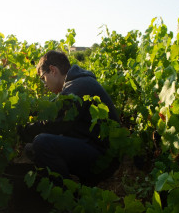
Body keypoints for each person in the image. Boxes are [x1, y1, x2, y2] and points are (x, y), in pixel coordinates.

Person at [20, 50, 120, 186]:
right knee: (31, 148)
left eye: (43, 78)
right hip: (95, 150)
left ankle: (67, 196)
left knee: (42, 143)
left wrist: (23, 131)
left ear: (53, 70)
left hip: (102, 159)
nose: (44, 84)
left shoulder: (77, 86)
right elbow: (53, 111)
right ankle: (81, 186)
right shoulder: (77, 82)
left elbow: (57, 124)